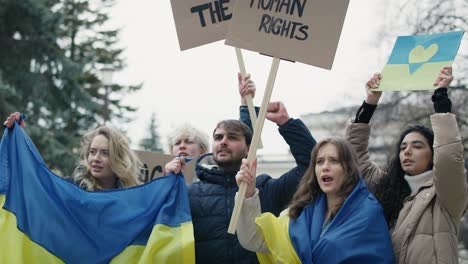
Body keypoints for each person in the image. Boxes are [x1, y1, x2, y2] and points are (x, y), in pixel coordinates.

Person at [166, 101, 316, 263]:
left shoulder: (266, 188)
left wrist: (286, 123)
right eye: (218, 137)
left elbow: (311, 165)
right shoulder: (190, 193)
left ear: (248, 148)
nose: (223, 141)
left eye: (232, 137)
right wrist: (168, 185)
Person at [345, 66, 467, 263]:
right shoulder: (388, 186)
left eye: (417, 146)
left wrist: (441, 97)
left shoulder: (445, 195)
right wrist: (369, 104)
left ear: (433, 154)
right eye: (402, 147)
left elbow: (449, 156)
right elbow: (353, 157)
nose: (407, 152)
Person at [235, 138, 394, 263]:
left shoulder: (368, 213)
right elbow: (254, 239)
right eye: (319, 162)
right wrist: (248, 193)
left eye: (334, 160)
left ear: (349, 169)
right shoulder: (299, 212)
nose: (325, 167)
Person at [3, 113, 142, 191]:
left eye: (105, 153)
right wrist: (18, 138)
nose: (96, 158)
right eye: (92, 152)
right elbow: (37, 186)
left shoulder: (131, 197)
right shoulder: (72, 189)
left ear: (118, 158)